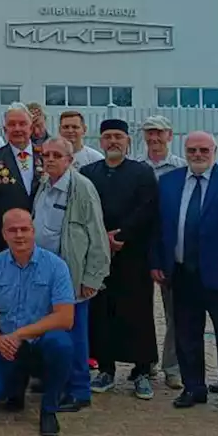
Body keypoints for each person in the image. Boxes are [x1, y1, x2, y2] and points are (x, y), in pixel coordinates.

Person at [152, 132, 218, 421]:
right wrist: (157, 262)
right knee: (187, 335)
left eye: (203, 149)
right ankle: (193, 387)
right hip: (182, 274)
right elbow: (158, 226)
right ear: (184, 151)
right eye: (192, 150)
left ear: (214, 151)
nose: (197, 154)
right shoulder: (169, 182)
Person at [0, 209, 75, 436]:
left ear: (33, 231)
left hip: (38, 345)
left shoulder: (56, 266)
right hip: (4, 346)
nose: (19, 235)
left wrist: (20, 334)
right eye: (12, 230)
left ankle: (49, 409)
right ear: (3, 234)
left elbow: (65, 317)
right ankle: (15, 386)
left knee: (61, 344)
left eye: (24, 229)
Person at [80, 118, 159, 400]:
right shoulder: (89, 172)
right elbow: (84, 210)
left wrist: (122, 235)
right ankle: (106, 369)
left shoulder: (142, 172)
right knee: (102, 313)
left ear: (127, 141)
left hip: (132, 255)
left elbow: (147, 209)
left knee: (137, 312)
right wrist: (102, 238)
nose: (113, 141)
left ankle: (140, 371)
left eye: (118, 136)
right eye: (108, 137)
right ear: (100, 141)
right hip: (99, 256)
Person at [32, 137, 109, 412]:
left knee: (75, 334)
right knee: (51, 332)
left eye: (56, 155)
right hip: (43, 274)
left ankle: (79, 390)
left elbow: (97, 236)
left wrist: (92, 278)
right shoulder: (43, 184)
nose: (49, 159)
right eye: (45, 154)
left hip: (71, 275)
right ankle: (57, 380)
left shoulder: (82, 188)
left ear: (69, 160)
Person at [138, 115, 186, 390]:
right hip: (140, 249)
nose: (154, 138)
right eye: (149, 134)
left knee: (174, 313)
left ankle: (173, 366)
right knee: (140, 310)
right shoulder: (135, 167)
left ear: (169, 135)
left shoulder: (181, 168)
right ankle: (146, 361)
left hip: (170, 248)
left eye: (159, 133)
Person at [0, 103, 43, 259]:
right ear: (5, 130)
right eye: (12, 124)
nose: (17, 128)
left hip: (42, 241)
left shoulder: (46, 157)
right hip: (5, 242)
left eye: (22, 124)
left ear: (31, 128)